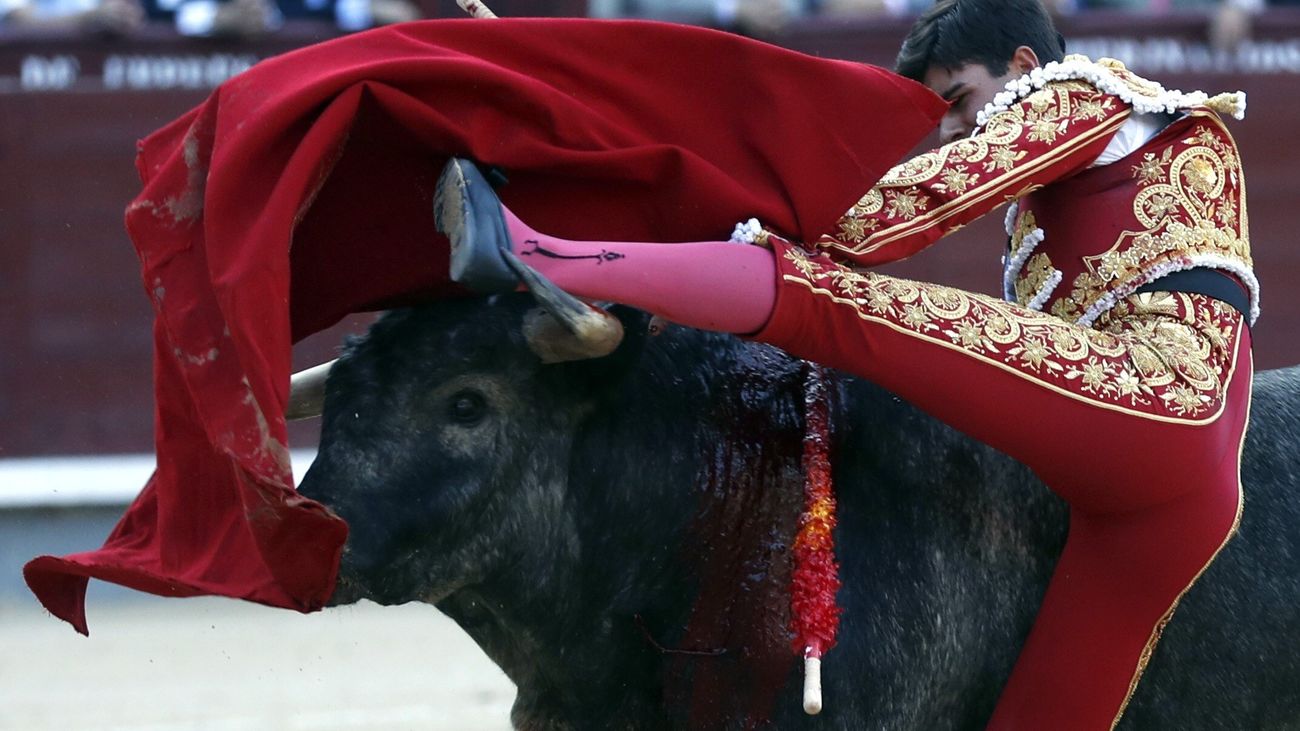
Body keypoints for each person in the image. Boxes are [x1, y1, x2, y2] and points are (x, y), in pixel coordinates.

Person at [434, 0, 1255, 727]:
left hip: (1157, 401)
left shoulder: (1083, 95)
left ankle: (541, 250)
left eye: (959, 100)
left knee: (825, 301)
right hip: (1178, 499)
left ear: (1024, 67)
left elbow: (885, 223)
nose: (953, 130)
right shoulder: (1082, 189)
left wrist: (702, 193)